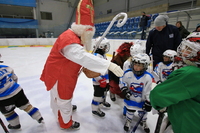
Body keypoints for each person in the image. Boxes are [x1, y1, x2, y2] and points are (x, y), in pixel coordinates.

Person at [40, 0, 123, 130]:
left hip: (62, 73)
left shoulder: (75, 36)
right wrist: (109, 65)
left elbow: (80, 56)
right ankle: (66, 122)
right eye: (89, 32)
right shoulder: (70, 39)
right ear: (84, 30)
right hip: (61, 76)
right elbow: (81, 56)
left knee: (59, 98)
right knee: (63, 99)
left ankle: (60, 112)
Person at [150, 32, 200, 133]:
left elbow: (158, 96)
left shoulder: (190, 73)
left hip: (188, 125)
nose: (183, 51)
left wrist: (161, 103)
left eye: (188, 49)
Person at [0, 54, 43, 130]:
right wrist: (13, 87)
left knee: (8, 112)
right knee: (26, 106)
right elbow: (14, 78)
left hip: (3, 99)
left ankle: (15, 124)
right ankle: (39, 117)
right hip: (18, 91)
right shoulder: (5, 68)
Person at [119, 53, 153, 133]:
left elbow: (148, 91)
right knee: (130, 111)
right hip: (131, 98)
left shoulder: (148, 77)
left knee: (143, 114)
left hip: (142, 100)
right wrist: (124, 89)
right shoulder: (127, 73)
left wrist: (148, 102)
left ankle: (143, 121)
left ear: (145, 66)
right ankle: (128, 121)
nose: (137, 67)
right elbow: (122, 82)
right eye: (135, 65)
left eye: (140, 65)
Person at [91, 37, 111, 117]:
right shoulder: (96, 57)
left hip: (105, 80)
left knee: (104, 93)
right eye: (105, 46)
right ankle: (95, 109)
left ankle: (102, 102)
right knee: (97, 96)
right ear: (101, 47)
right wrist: (99, 80)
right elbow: (93, 71)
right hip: (98, 81)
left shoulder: (102, 55)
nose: (106, 48)